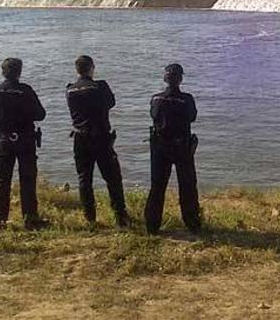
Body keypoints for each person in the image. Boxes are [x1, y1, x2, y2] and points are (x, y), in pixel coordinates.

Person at [0, 58, 48, 231]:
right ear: (19, 72)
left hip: (3, 140)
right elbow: (40, 114)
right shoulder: (26, 91)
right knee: (28, 179)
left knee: (2, 180)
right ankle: (30, 219)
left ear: (3, 72)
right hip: (25, 140)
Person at [65, 55, 131, 227]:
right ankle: (120, 216)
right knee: (113, 178)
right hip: (100, 137)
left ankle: (90, 218)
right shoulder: (99, 86)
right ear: (91, 68)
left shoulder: (70, 89)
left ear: (77, 70)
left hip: (80, 137)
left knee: (84, 179)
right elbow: (111, 102)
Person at [144, 63, 202, 234]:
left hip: (160, 147)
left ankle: (152, 225)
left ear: (165, 79)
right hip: (181, 147)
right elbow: (192, 117)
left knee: (157, 186)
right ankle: (192, 224)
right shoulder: (187, 99)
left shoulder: (155, 98)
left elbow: (153, 115)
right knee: (187, 186)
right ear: (180, 79)